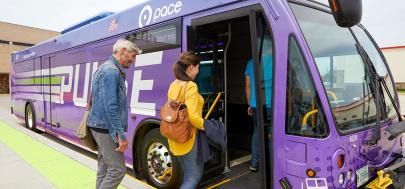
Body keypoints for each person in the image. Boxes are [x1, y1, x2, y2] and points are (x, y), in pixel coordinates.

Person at [87, 39, 141, 189]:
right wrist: (120, 134)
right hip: (105, 128)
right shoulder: (111, 71)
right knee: (118, 170)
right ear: (123, 50)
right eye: (132, 55)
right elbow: (110, 106)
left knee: (104, 169)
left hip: (99, 126)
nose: (133, 60)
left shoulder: (103, 68)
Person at [167, 52, 205, 189]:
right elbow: (192, 116)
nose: (198, 71)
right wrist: (206, 126)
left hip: (174, 137)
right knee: (194, 177)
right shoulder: (190, 86)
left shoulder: (173, 84)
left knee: (187, 175)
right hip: (187, 138)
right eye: (198, 67)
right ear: (190, 68)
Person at [245, 39, 273, 172]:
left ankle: (255, 163)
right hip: (271, 105)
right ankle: (270, 164)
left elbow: (248, 86)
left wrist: (250, 104)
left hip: (256, 105)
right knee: (271, 133)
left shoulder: (251, 63)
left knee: (257, 132)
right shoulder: (275, 60)